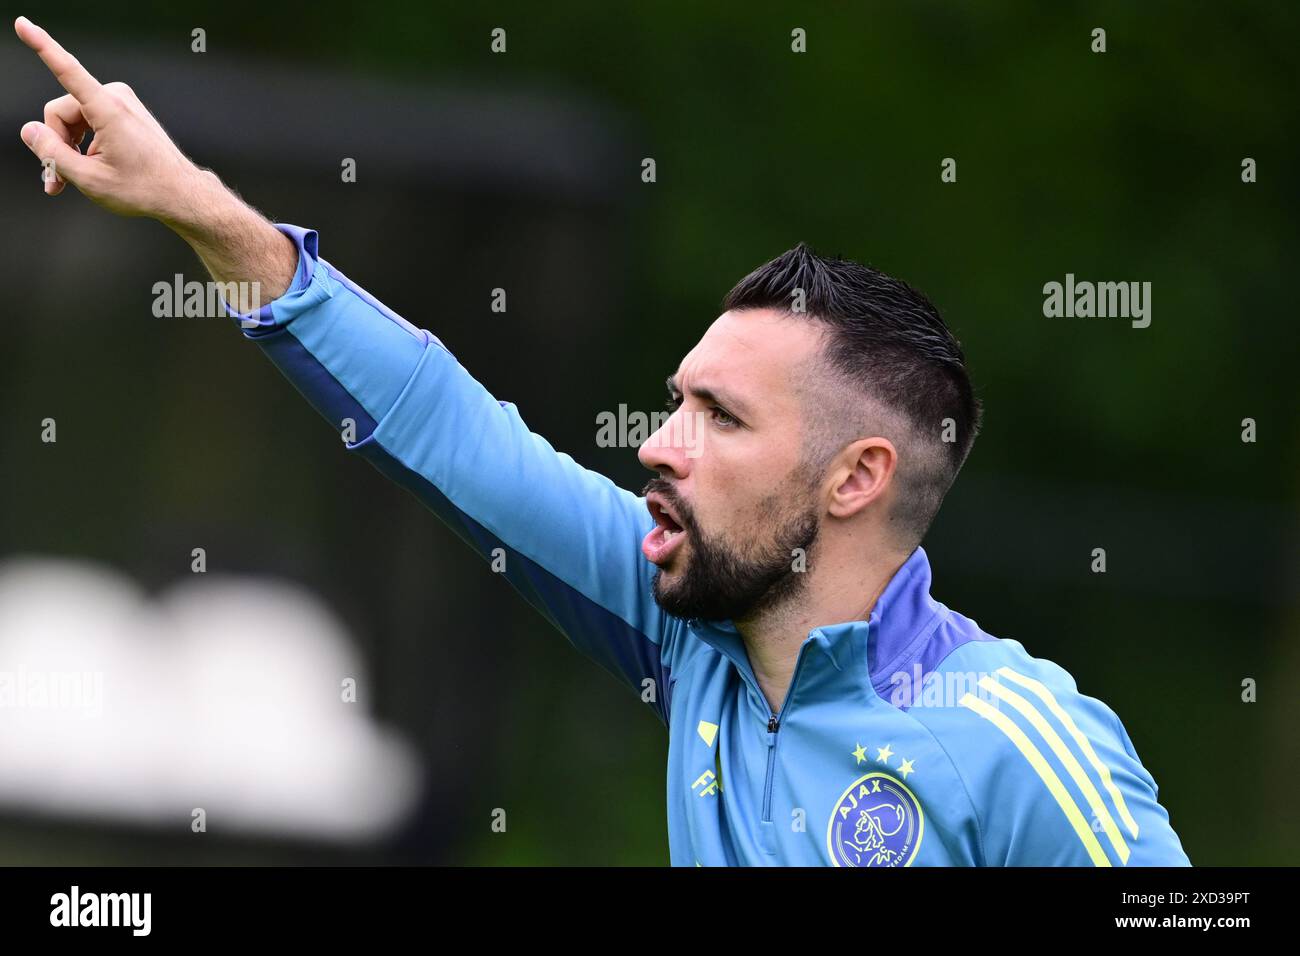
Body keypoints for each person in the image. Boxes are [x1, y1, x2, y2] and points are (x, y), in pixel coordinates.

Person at [14, 15, 1191, 866]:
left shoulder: (1015, 739)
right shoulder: (690, 638)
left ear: (856, 476)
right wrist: (198, 207)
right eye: (677, 401)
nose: (660, 445)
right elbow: (450, 428)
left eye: (720, 417)